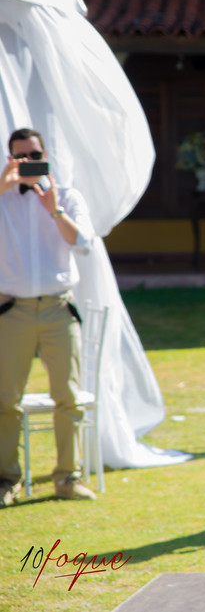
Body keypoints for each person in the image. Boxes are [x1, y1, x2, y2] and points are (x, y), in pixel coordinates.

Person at [0, 129, 97, 505]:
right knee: (5, 399)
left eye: (34, 154)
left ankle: (67, 478)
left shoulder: (69, 197)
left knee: (67, 397)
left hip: (58, 309)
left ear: (46, 155)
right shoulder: (4, 200)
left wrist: (54, 209)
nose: (28, 162)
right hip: (13, 311)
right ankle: (7, 479)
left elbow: (84, 245)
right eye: (20, 156)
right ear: (10, 159)